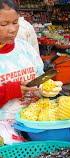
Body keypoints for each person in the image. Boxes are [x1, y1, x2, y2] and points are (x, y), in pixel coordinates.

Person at [0, 0, 44, 144]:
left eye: (15, 22)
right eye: (4, 24)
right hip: (5, 134)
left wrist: (44, 88)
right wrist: (10, 90)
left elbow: (39, 76)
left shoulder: (25, 48)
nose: (12, 29)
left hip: (35, 123)